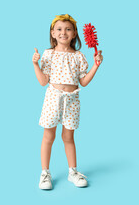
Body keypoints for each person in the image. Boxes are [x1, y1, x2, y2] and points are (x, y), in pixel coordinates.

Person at [32, 14, 103, 190]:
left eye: (68, 29)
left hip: (72, 101)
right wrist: (35, 64)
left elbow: (84, 82)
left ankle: (72, 172)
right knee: (49, 136)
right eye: (59, 29)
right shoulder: (48, 54)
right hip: (52, 99)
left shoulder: (78, 56)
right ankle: (45, 173)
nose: (63, 32)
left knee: (68, 137)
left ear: (74, 33)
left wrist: (96, 65)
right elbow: (43, 81)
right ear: (53, 33)